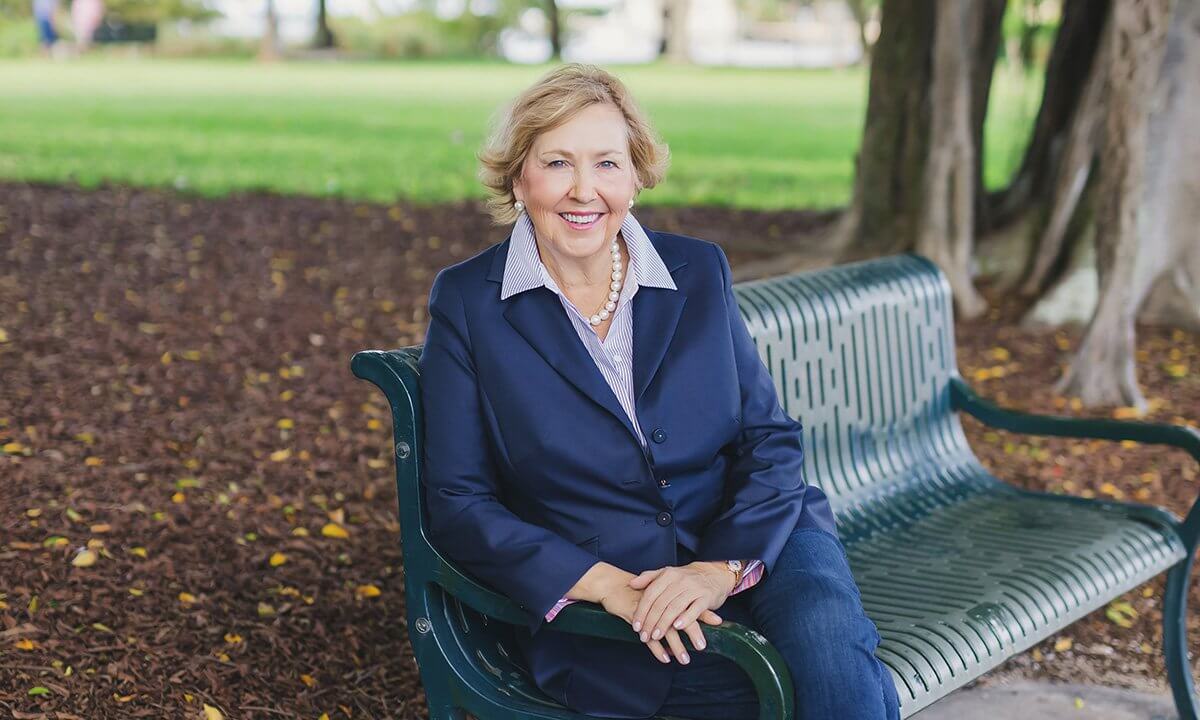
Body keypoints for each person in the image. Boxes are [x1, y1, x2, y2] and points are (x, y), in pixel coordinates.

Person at [418, 62, 901, 720]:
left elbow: (767, 437)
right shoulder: (470, 302)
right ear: (517, 175)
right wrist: (608, 588)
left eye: (608, 164)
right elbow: (458, 502)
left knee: (835, 669)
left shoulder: (697, 270)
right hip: (621, 593)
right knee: (779, 692)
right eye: (557, 162)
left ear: (637, 175)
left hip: (760, 537)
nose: (584, 190)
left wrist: (720, 569)